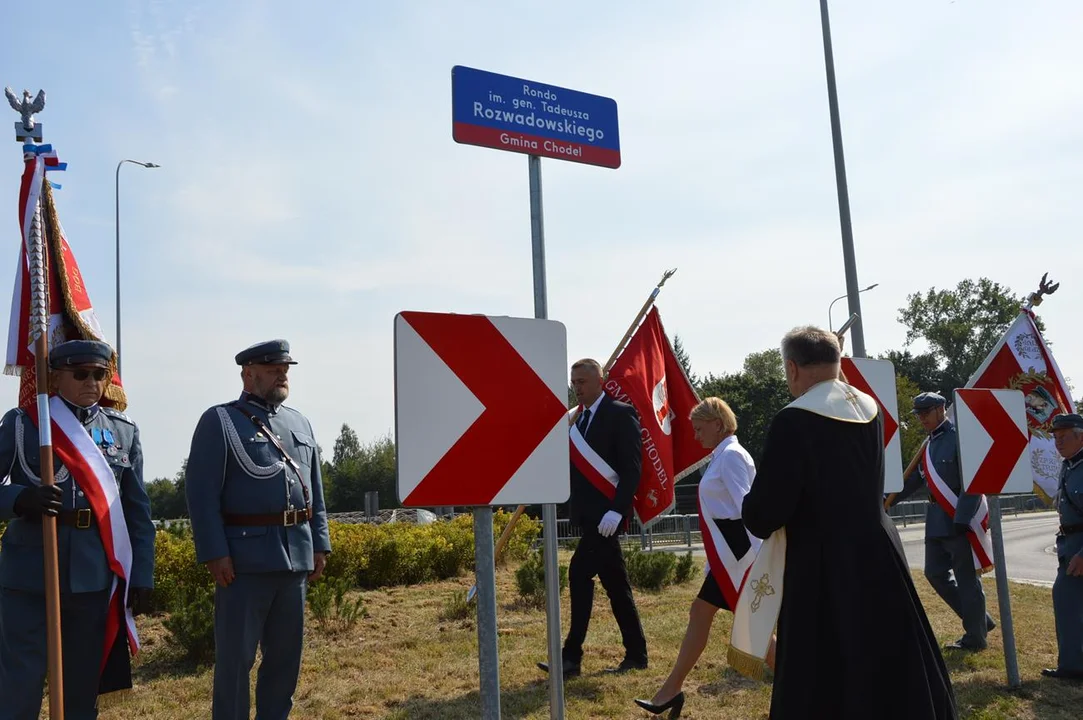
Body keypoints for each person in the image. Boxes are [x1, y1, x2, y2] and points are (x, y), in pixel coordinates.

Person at [736, 326, 957, 719]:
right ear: (838, 363)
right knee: (887, 655)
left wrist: (750, 507)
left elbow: (767, 511)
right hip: (878, 551)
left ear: (792, 368)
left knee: (826, 671)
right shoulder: (868, 409)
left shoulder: (794, 419)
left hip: (823, 564)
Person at [0, 339, 155, 720]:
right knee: (20, 683)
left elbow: (137, 511)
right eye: (81, 374)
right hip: (29, 574)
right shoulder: (23, 424)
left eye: (100, 374)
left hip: (93, 576)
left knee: (82, 688)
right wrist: (18, 499)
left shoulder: (123, 431)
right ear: (55, 376)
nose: (91, 382)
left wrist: (142, 575)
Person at [185, 339, 331, 720]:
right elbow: (201, 496)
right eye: (272, 368)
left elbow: (314, 491)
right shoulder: (219, 421)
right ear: (249, 374)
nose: (282, 374)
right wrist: (215, 553)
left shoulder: (299, 423)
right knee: (236, 662)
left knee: (285, 661)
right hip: (244, 563)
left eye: (285, 367)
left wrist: (320, 543)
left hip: (294, 560)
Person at [634, 396, 765, 718]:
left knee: (752, 629)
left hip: (739, 560)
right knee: (704, 613)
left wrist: (757, 561)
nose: (696, 436)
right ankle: (671, 690)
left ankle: (808, 691)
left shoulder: (732, 456)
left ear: (718, 425)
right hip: (728, 558)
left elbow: (749, 510)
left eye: (699, 428)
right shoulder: (722, 456)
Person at [538, 358, 647, 677]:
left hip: (607, 518)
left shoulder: (620, 413)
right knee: (616, 587)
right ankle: (636, 654)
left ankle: (571, 657)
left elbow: (632, 469)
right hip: (588, 517)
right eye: (573, 383)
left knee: (578, 573)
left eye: (582, 382)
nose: (577, 389)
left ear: (601, 381)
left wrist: (617, 509)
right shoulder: (575, 421)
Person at [889, 391, 995, 651]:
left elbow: (972, 483)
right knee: (934, 574)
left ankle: (975, 637)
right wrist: (886, 499)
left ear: (941, 409)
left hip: (957, 519)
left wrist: (962, 517)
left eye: (926, 413)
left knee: (967, 580)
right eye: (918, 415)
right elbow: (913, 481)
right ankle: (980, 620)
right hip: (936, 520)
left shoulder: (958, 440)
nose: (922, 419)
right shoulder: (927, 445)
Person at [1042, 412, 1083, 681]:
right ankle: (1072, 664)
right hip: (1069, 543)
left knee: (1066, 600)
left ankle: (1072, 666)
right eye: (1055, 437)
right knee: (1068, 602)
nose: (1057, 442)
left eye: (1064, 436)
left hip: (1080, 547)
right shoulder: (1069, 465)